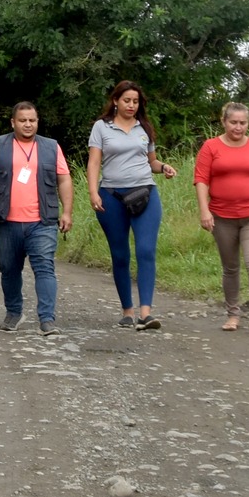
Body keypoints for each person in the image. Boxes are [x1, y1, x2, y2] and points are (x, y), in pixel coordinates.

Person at [87, 80, 179, 331]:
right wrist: (93, 192)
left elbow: (152, 162)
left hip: (145, 193)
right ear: (115, 101)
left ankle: (146, 313)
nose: (131, 105)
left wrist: (164, 167)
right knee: (120, 255)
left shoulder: (144, 127)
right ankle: (127, 311)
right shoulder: (101, 127)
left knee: (146, 250)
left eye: (136, 101)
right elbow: (94, 162)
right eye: (127, 100)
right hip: (111, 196)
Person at [0, 101, 73, 334]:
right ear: (13, 122)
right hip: (6, 221)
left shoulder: (51, 147)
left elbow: (64, 179)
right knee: (9, 270)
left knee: (45, 268)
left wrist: (67, 212)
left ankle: (47, 319)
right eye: (22, 120)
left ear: (37, 122)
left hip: (42, 222)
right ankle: (13, 313)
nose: (28, 124)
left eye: (32, 120)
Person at [193, 102, 249, 333]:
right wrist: (204, 210)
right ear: (223, 122)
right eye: (233, 122)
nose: (238, 127)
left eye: (243, 123)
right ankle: (233, 315)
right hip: (222, 217)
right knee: (231, 267)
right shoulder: (211, 147)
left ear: (248, 123)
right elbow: (201, 180)